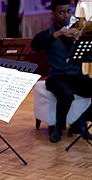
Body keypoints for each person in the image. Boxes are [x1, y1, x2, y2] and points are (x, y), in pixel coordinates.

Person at [31, 0, 92, 143]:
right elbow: (36, 45)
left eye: (68, 12)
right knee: (66, 95)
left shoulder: (78, 33)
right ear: (53, 14)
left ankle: (80, 120)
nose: (66, 15)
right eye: (61, 12)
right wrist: (59, 33)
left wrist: (83, 41)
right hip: (56, 78)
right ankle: (59, 127)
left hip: (76, 76)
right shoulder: (48, 34)